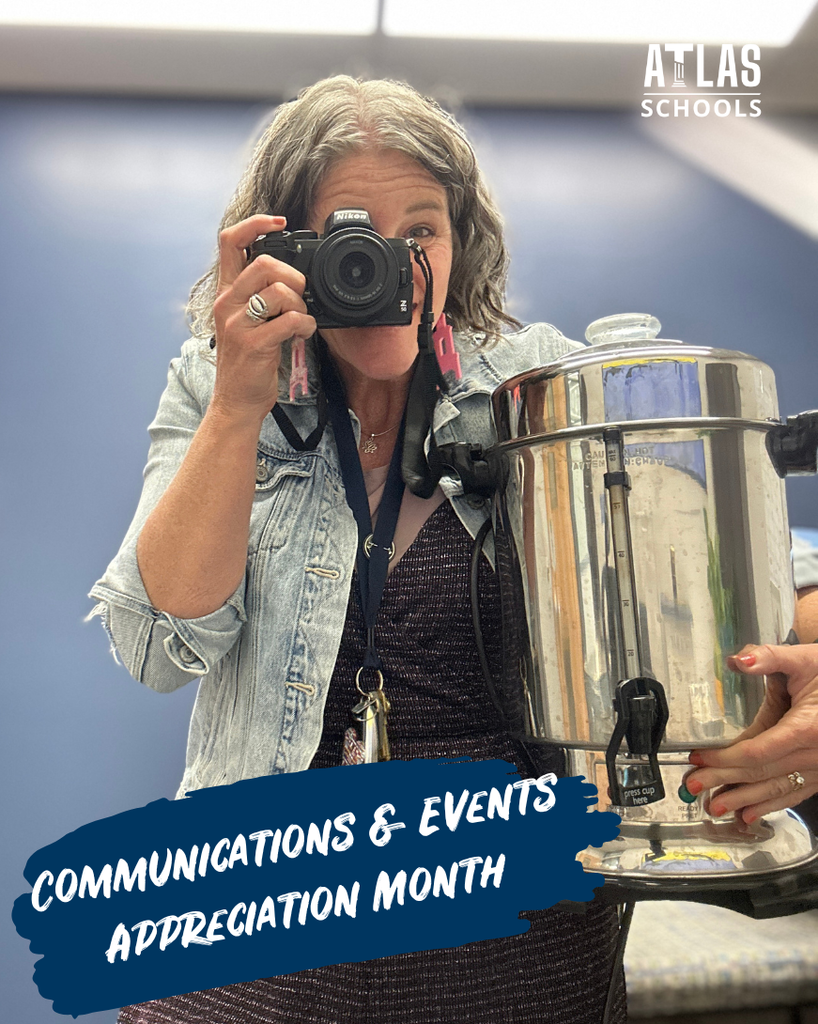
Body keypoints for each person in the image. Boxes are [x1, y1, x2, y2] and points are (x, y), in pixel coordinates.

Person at [90, 75, 818, 1023]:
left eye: (421, 230)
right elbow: (155, 644)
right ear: (285, 248)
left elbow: (745, 543)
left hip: (514, 954)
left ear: (460, 242)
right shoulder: (217, 386)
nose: (386, 263)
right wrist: (238, 402)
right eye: (352, 230)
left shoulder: (537, 385)